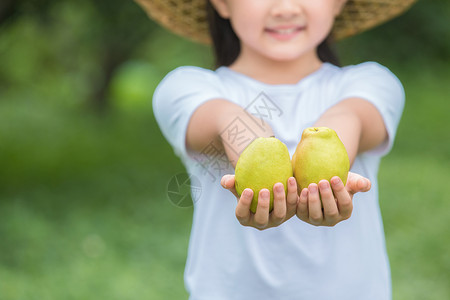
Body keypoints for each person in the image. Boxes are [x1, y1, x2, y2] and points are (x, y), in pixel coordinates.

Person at [135, 0, 416, 299]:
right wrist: (257, 160)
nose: (285, 8)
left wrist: (325, 182)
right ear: (221, 3)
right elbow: (226, 120)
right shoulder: (186, 87)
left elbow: (348, 119)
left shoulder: (371, 83)